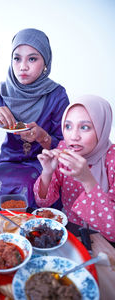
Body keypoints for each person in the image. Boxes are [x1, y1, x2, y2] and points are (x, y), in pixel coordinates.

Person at [0, 28, 69, 210]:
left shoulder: (56, 95)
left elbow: (66, 147)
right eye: (17, 58)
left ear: (46, 63)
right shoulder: (1, 92)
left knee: (29, 184)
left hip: (42, 163)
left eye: (32, 59)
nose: (23, 66)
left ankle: (36, 232)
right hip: (8, 162)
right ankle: (8, 232)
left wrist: (42, 137)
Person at [34, 95, 115, 242]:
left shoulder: (112, 159)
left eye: (85, 127)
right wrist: (47, 172)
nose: (73, 136)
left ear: (102, 127)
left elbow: (113, 229)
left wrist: (87, 180)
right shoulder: (64, 149)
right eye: (68, 126)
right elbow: (43, 203)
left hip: (105, 240)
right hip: (71, 231)